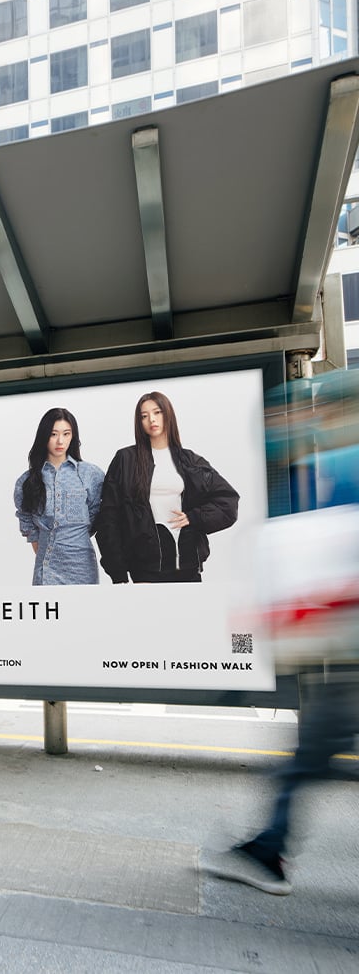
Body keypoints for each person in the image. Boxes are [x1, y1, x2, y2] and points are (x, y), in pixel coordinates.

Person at [202, 371, 359, 895]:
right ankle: (269, 847)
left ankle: (269, 850)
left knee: (308, 756)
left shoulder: (338, 467)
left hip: (345, 658)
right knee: (308, 754)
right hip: (341, 658)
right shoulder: (317, 472)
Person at [95, 391, 239, 583]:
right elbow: (109, 518)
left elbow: (228, 503)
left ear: (168, 414)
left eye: (157, 412)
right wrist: (118, 573)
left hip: (188, 566)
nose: (151, 420)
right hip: (145, 568)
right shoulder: (125, 460)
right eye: (144, 416)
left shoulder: (190, 461)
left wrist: (194, 517)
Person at [13, 408, 104, 585]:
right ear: (44, 436)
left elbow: (96, 513)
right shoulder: (27, 480)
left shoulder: (90, 474)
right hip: (46, 566)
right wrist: (46, 548)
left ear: (73, 436)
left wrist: (74, 536)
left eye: (66, 434)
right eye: (53, 434)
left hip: (82, 566)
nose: (60, 441)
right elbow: (27, 521)